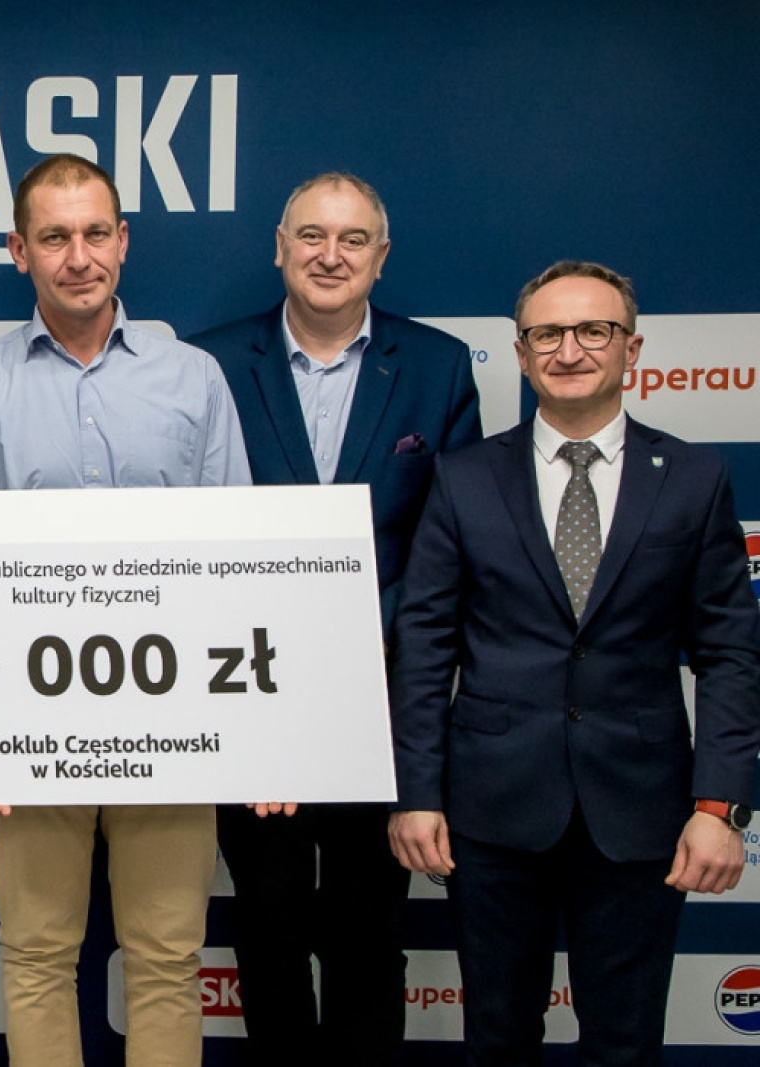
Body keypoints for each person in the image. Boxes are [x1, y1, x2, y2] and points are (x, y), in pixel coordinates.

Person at [388, 260, 760, 1064]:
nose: (569, 350)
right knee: (498, 1039)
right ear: (521, 355)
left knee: (624, 1045)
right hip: (491, 811)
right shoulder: (463, 477)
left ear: (632, 348)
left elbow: (731, 651)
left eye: (594, 330)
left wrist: (721, 803)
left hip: (641, 813)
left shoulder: (694, 479)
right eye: (548, 334)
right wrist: (416, 793)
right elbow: (424, 648)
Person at [0, 153, 251, 1067]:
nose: (79, 256)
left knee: (168, 960)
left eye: (96, 232)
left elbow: (237, 556)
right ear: (18, 250)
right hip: (27, 721)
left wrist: (252, 731)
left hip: (173, 718)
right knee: (36, 958)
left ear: (124, 241)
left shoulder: (193, 377)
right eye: (55, 237)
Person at [185, 172, 481, 1064]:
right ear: (280, 247)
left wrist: (367, 645)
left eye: (353, 240)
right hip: (248, 695)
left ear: (380, 258)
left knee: (369, 930)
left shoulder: (436, 366)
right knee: (268, 925)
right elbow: (186, 534)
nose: (330, 255)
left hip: (381, 700)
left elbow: (452, 542)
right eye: (311, 235)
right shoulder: (208, 364)